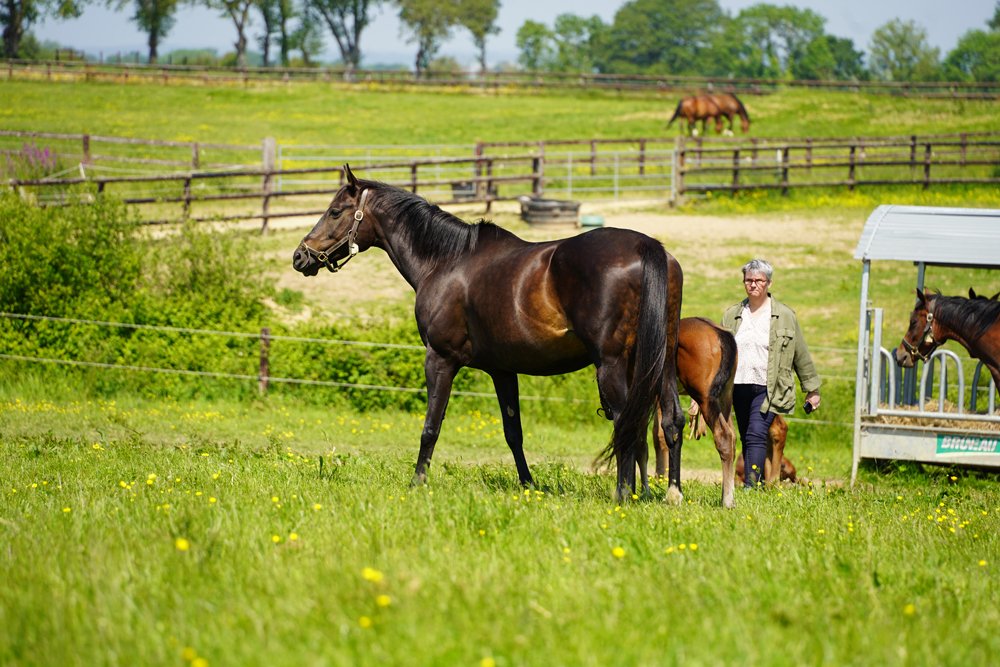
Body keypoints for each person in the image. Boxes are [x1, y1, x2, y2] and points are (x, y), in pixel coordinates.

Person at [721, 259, 820, 488]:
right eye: (748, 280)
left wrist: (812, 389)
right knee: (747, 435)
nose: (753, 284)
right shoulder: (732, 315)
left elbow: (800, 353)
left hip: (768, 387)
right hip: (738, 386)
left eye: (758, 280)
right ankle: (754, 482)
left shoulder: (785, 315)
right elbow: (720, 353)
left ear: (769, 283)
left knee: (756, 433)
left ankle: (751, 487)